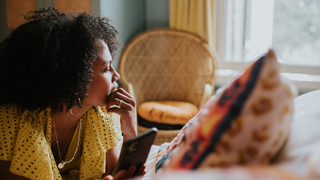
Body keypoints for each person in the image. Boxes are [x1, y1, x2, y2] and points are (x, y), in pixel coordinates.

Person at [0, 7, 143, 180]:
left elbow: (117, 174)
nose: (116, 75)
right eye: (106, 68)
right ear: (76, 77)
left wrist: (130, 131)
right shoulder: (11, 123)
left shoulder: (104, 116)